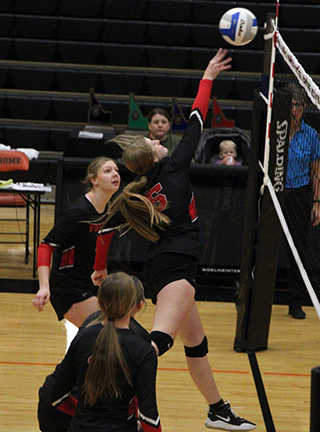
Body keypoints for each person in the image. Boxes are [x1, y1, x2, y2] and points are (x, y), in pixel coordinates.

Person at [91, 49, 256, 431]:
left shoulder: (137, 188)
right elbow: (198, 116)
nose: (158, 140)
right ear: (154, 156)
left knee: (196, 343)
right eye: (153, 143)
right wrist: (208, 75)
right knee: (154, 348)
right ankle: (111, 400)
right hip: (177, 267)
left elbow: (103, 229)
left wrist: (100, 268)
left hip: (163, 264)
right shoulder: (176, 165)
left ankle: (217, 410)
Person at [49, 271, 160, 432]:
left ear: (99, 303)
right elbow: (149, 417)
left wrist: (85, 416)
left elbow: (57, 397)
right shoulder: (143, 349)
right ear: (137, 305)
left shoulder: (83, 337)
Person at [32, 156, 121, 327]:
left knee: (118, 326)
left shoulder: (107, 210)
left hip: (89, 282)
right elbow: (45, 246)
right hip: (68, 287)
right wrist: (44, 286)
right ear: (94, 180)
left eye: (116, 170)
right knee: (107, 330)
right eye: (108, 171)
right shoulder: (78, 212)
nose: (115, 174)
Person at [282, 82, 320, 319]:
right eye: (290, 104)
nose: (293, 109)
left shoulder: (313, 136)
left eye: (297, 105)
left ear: (304, 108)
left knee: (298, 250)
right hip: (273, 194)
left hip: (299, 194)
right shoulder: (272, 130)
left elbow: (317, 172)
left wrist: (317, 202)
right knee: (260, 244)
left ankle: (294, 301)